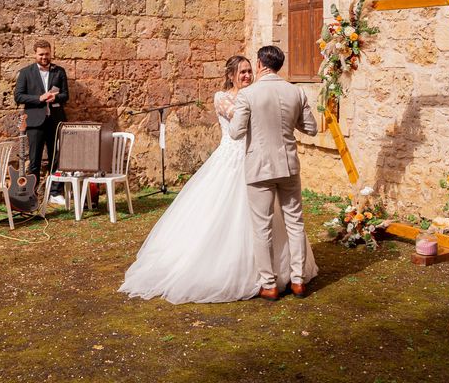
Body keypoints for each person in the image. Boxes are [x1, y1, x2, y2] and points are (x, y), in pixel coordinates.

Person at [119, 55, 317, 304]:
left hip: (257, 162)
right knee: (245, 220)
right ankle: (244, 271)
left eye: (248, 71)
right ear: (231, 75)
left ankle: (278, 276)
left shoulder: (253, 95)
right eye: (242, 72)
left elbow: (255, 119)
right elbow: (238, 126)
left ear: (258, 67)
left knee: (271, 221)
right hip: (233, 160)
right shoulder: (223, 98)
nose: (246, 76)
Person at [229, 46, 318, 301]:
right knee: (295, 222)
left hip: (259, 167)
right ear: (279, 65)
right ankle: (298, 280)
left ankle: (269, 284)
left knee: (262, 227)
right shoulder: (296, 91)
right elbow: (311, 128)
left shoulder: (248, 95)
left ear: (259, 64)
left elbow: (235, 132)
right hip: (288, 166)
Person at [14, 40, 69, 205]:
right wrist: (39, 98)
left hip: (55, 121)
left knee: (56, 158)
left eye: (47, 54)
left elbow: (66, 95)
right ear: (35, 54)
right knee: (35, 160)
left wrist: (55, 97)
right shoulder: (25, 72)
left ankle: (54, 192)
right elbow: (19, 96)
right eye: (41, 54)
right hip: (34, 123)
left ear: (51, 52)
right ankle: (32, 195)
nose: (45, 57)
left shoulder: (59, 71)